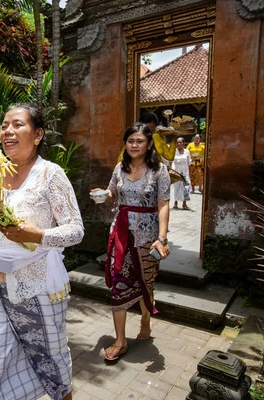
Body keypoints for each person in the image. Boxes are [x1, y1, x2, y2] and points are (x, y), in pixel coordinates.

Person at [0, 104, 84, 400]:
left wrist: (37, 235)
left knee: (50, 357)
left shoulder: (50, 175)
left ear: (37, 135)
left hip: (37, 286)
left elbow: (75, 229)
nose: (8, 130)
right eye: (4, 125)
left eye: (17, 125)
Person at [91, 122, 170, 361]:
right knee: (119, 282)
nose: (134, 145)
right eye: (130, 141)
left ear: (148, 144)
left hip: (148, 236)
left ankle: (146, 318)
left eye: (139, 141)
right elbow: (113, 191)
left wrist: (162, 238)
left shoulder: (159, 171)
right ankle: (120, 340)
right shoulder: (119, 167)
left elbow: (163, 204)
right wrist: (105, 195)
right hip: (121, 233)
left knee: (146, 282)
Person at [172, 137, 192, 210]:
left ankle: (184, 203)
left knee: (187, 187)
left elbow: (189, 162)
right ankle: (175, 202)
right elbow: (172, 161)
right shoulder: (174, 151)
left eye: (180, 142)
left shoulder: (187, 152)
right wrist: (173, 170)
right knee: (177, 188)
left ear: (183, 143)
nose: (179, 144)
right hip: (177, 173)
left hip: (185, 172)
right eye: (177, 142)